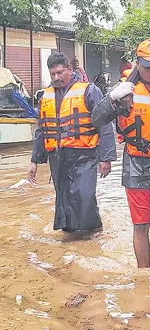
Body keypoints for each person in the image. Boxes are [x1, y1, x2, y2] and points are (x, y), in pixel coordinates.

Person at [91, 39, 150, 268]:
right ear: (138, 64)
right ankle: (144, 274)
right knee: (141, 225)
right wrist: (112, 98)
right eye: (146, 66)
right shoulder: (125, 90)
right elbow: (96, 119)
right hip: (136, 162)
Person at [27, 53, 116, 233]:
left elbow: (105, 124)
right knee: (64, 199)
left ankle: (95, 233)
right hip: (58, 157)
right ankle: (71, 239)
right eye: (52, 74)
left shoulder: (89, 90)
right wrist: (34, 161)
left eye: (60, 73)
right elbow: (42, 130)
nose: (56, 78)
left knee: (84, 195)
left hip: (85, 155)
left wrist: (106, 158)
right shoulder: (46, 95)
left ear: (69, 69)